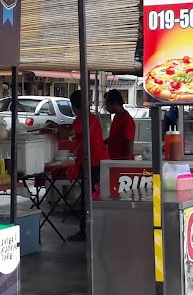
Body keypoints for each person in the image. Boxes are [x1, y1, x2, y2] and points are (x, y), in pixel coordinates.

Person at [55, 89, 109, 242]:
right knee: (94, 197)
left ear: (74, 106)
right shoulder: (91, 118)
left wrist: (55, 126)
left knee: (89, 198)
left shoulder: (81, 119)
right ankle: (94, 229)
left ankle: (86, 231)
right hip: (98, 161)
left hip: (93, 163)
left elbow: (68, 133)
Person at [103, 89, 136, 160]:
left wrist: (126, 162)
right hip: (113, 158)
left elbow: (129, 142)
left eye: (107, 104)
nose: (106, 107)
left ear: (114, 104)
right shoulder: (117, 117)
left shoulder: (126, 120)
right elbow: (113, 138)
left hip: (121, 161)